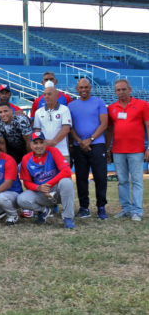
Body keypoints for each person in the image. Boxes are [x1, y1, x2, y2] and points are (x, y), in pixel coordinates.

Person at [106, 79, 149, 221]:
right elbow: (110, 130)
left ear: (130, 90)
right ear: (115, 92)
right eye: (118, 90)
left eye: (123, 89)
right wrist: (108, 149)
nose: (121, 92)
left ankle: (137, 210)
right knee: (122, 180)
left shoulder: (143, 105)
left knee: (137, 181)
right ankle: (126, 208)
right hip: (118, 150)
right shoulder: (111, 108)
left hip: (136, 150)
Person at [68, 78, 109, 219]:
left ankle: (101, 207)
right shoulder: (71, 105)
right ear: (77, 89)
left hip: (97, 145)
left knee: (100, 177)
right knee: (81, 178)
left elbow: (104, 124)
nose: (83, 90)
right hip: (79, 147)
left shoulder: (99, 102)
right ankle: (84, 207)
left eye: (86, 87)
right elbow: (70, 127)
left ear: (90, 87)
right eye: (81, 87)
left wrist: (90, 140)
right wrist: (80, 141)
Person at [17, 132, 76, 229]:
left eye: (41, 142)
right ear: (31, 145)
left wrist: (48, 184)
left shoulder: (53, 151)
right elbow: (27, 183)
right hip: (41, 192)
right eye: (35, 143)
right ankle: (44, 210)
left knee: (66, 182)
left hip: (57, 190)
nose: (39, 146)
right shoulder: (26, 159)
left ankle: (68, 217)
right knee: (21, 199)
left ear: (45, 143)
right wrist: (39, 187)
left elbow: (66, 171)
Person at [32, 85, 73, 160]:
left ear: (57, 96)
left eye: (49, 94)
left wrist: (54, 142)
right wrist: (42, 144)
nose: (46, 96)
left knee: (64, 172)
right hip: (44, 152)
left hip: (62, 152)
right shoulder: (38, 112)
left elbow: (66, 129)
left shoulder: (64, 109)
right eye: (45, 94)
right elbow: (37, 131)